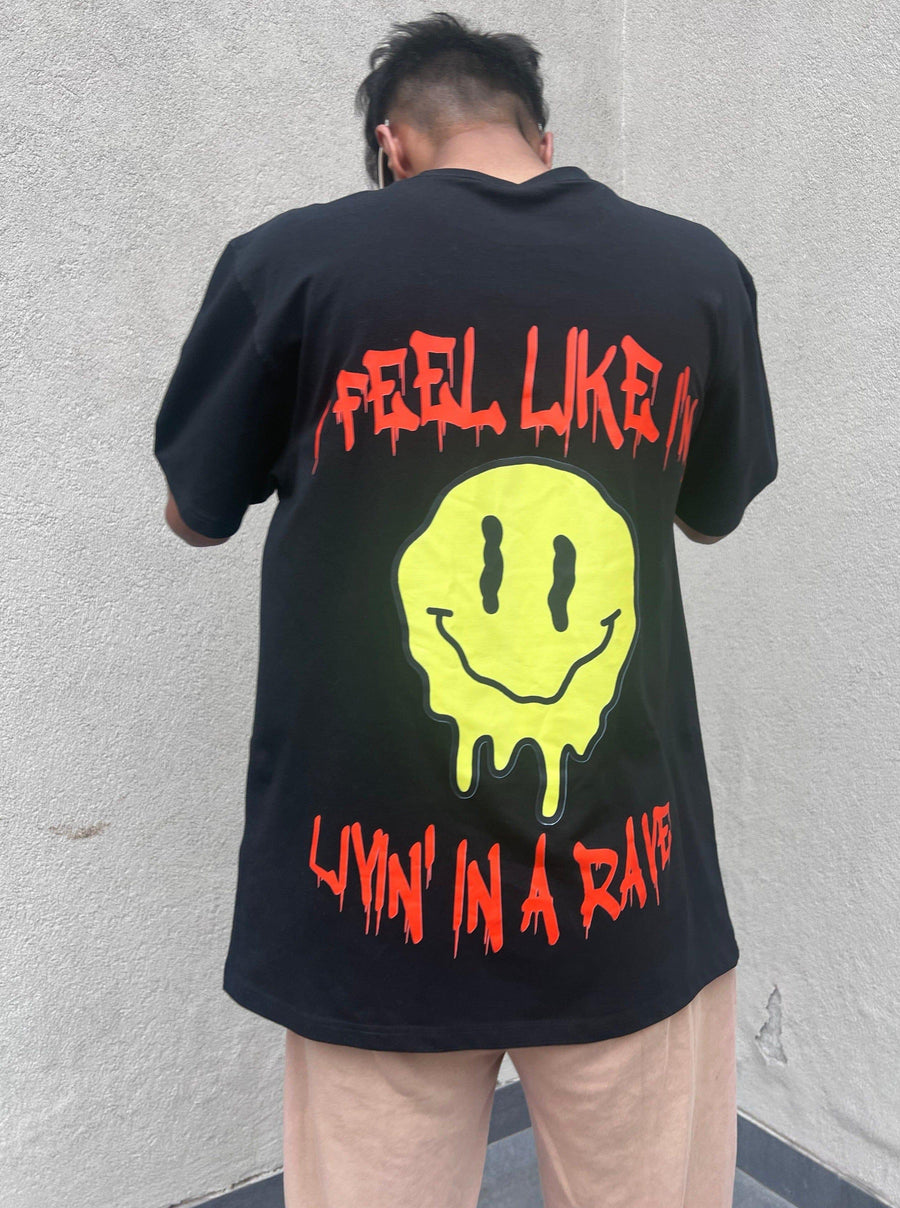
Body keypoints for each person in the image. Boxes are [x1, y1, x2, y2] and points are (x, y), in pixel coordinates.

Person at [153, 11, 777, 1208]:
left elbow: (195, 512)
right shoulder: (694, 271)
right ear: (545, 136)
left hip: (367, 898)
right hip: (625, 891)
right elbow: (707, 514)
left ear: (392, 146)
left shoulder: (290, 265)